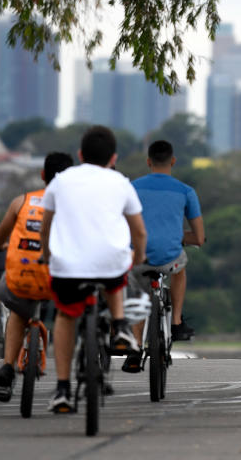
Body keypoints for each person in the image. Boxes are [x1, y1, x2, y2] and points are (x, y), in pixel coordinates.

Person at [40, 125, 147, 413]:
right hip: (111, 262)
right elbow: (138, 231)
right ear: (113, 158)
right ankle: (121, 325)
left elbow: (46, 223)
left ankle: (62, 389)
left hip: (67, 266)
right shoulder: (121, 182)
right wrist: (137, 258)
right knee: (116, 276)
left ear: (80, 154)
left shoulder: (60, 182)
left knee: (65, 316)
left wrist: (47, 254)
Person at [0, 152, 74, 402]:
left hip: (20, 280)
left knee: (18, 310)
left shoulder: (21, 202)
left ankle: (7, 367)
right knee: (69, 313)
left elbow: (1, 238)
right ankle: (67, 380)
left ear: (43, 175)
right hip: (58, 281)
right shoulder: (74, 207)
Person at [123, 140, 204, 372]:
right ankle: (177, 321)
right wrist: (179, 237)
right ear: (173, 161)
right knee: (181, 266)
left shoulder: (132, 188)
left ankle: (135, 348)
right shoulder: (186, 191)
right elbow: (198, 237)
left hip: (138, 257)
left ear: (148, 162)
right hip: (170, 258)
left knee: (139, 290)